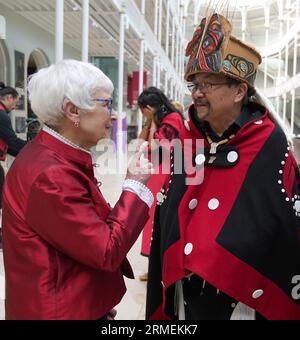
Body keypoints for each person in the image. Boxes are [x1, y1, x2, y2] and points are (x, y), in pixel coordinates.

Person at [146, 13, 300, 320]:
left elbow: (284, 221)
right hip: (186, 294)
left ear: (239, 91)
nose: (197, 92)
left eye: (209, 83)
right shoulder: (188, 138)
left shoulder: (268, 141)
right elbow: (173, 210)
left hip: (240, 298)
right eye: (195, 84)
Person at [2, 60, 154, 320]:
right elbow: (106, 250)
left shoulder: (49, 155)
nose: (113, 115)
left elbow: (75, 240)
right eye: (106, 104)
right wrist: (135, 186)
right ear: (73, 111)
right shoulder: (52, 174)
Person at [137, 87, 186, 282]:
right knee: (153, 220)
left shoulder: (171, 120)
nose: (143, 114)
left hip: (167, 173)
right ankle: (155, 266)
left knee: (160, 219)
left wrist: (153, 125)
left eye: (143, 110)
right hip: (157, 172)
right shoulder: (159, 120)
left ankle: (161, 269)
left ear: (149, 107)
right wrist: (150, 122)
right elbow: (142, 142)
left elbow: (155, 147)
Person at [0, 82, 27, 249]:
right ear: (8, 98)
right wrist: (33, 150)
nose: (14, 105)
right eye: (15, 102)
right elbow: (12, 142)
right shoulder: (1, 115)